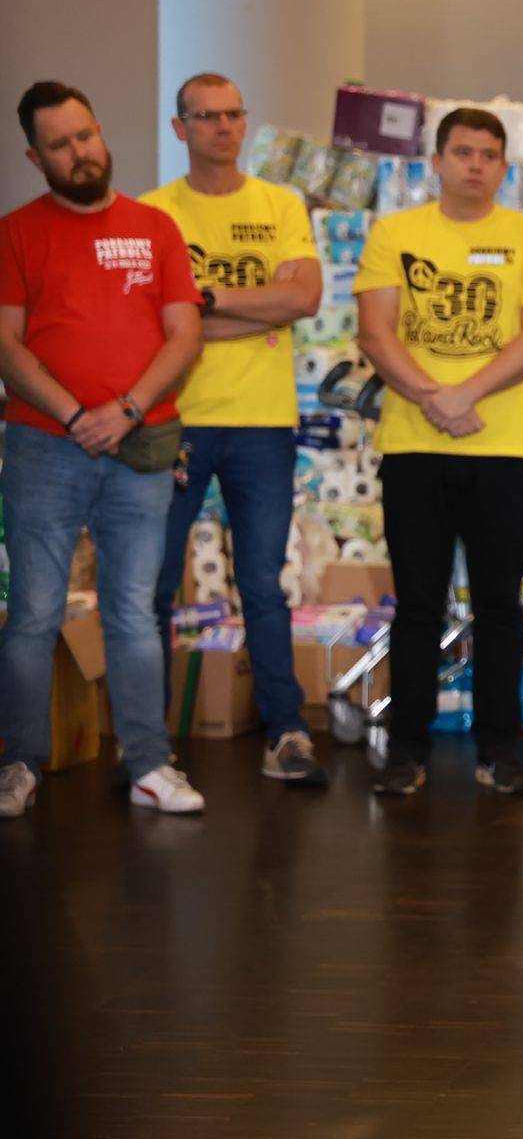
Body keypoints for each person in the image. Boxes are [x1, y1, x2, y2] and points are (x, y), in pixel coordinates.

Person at [0, 81, 205, 818]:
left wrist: (123, 410)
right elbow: (6, 342)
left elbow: (185, 335)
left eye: (85, 135)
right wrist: (73, 412)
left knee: (131, 611)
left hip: (140, 442)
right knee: (32, 614)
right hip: (41, 448)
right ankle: (16, 763)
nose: (79, 152)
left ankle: (149, 762)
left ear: (101, 132)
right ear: (35, 155)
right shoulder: (17, 231)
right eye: (60, 143)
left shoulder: (155, 228)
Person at [353, 107, 523, 798]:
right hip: (413, 448)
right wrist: (430, 396)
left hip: (502, 450)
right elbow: (376, 334)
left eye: (488, 155)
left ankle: (499, 750)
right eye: (463, 152)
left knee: (500, 605)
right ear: (436, 160)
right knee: (418, 604)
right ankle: (406, 750)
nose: (475, 164)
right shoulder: (396, 233)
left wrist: (461, 393)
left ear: (504, 167)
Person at [143, 73, 326, 786]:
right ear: (178, 127)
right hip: (173, 421)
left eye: (233, 115)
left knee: (262, 582)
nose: (222, 127)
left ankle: (285, 731)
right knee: (152, 587)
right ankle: (149, 742)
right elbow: (155, 320)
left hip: (261, 423)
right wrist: (259, 308)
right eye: (206, 116)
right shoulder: (153, 214)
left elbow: (303, 297)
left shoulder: (281, 203)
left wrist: (204, 301)